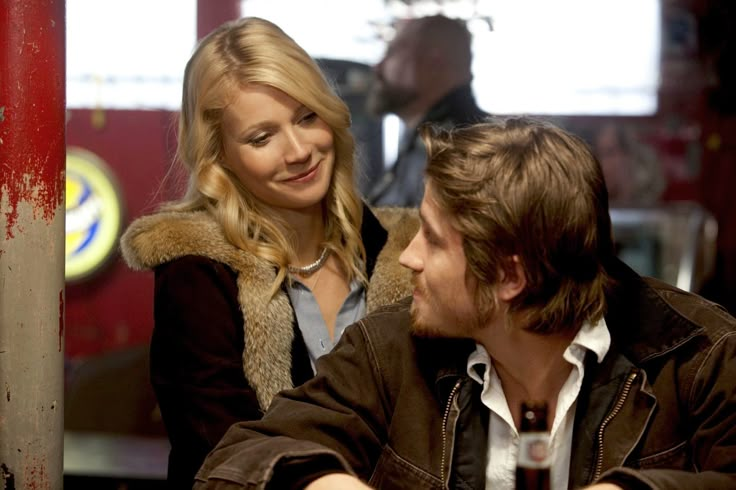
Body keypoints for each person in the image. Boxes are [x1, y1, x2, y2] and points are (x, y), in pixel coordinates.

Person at [193, 117, 736, 490]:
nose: (407, 257)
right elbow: (232, 461)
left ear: (508, 276)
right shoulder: (389, 351)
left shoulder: (699, 358)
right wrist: (319, 479)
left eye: (430, 237)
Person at [119, 17, 417, 488]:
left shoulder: (405, 249)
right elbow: (216, 454)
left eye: (307, 117)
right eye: (262, 138)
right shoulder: (198, 269)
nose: (299, 150)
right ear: (219, 157)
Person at [365, 14, 488, 207]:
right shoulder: (428, 142)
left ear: (434, 62)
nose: (378, 67)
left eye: (393, 52)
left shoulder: (454, 152)